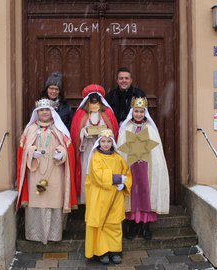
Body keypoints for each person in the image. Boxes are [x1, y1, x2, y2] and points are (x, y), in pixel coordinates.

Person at [16, 98, 77, 244]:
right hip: (35, 171)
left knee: (53, 200)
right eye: (41, 110)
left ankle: (54, 235)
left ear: (52, 112)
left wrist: (62, 152)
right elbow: (22, 150)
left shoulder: (59, 128)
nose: (44, 112)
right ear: (37, 113)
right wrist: (31, 152)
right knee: (38, 197)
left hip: (55, 171)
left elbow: (68, 147)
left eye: (47, 110)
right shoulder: (30, 129)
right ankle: (35, 234)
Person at [117, 96, 170, 240]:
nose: (139, 114)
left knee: (145, 191)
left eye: (141, 112)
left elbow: (156, 151)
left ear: (145, 112)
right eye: (136, 111)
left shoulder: (151, 129)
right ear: (132, 112)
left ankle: (145, 225)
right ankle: (133, 223)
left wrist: (146, 156)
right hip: (131, 166)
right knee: (133, 191)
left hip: (147, 167)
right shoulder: (126, 128)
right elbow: (121, 150)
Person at [85, 129, 132, 264]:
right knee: (100, 223)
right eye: (103, 141)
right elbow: (97, 176)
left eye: (109, 141)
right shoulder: (96, 158)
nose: (106, 144)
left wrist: (124, 185)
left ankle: (115, 250)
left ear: (113, 143)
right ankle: (102, 251)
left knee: (114, 223)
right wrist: (117, 178)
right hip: (99, 196)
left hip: (115, 197)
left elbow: (127, 174)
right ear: (99, 143)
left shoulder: (118, 158)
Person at [70, 84, 119, 204]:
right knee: (88, 173)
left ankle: (103, 200)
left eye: (96, 97)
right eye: (91, 97)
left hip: (103, 149)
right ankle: (88, 202)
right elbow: (75, 133)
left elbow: (114, 130)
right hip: (87, 149)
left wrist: (105, 135)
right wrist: (83, 134)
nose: (94, 99)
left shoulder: (107, 112)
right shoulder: (80, 113)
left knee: (103, 173)